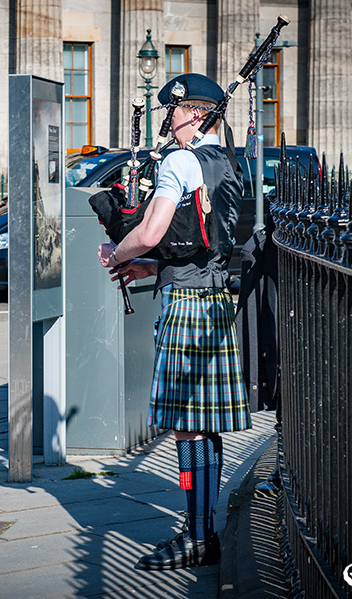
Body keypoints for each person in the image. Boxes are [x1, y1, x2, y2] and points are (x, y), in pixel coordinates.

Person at [97, 73, 251, 570]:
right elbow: (208, 241)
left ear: (196, 113)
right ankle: (201, 530)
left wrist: (117, 253)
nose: (169, 119)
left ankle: (198, 539)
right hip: (217, 302)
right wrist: (151, 266)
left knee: (187, 428)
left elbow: (152, 230)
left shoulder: (180, 161)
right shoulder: (224, 161)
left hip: (186, 305)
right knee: (205, 427)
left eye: (176, 111)